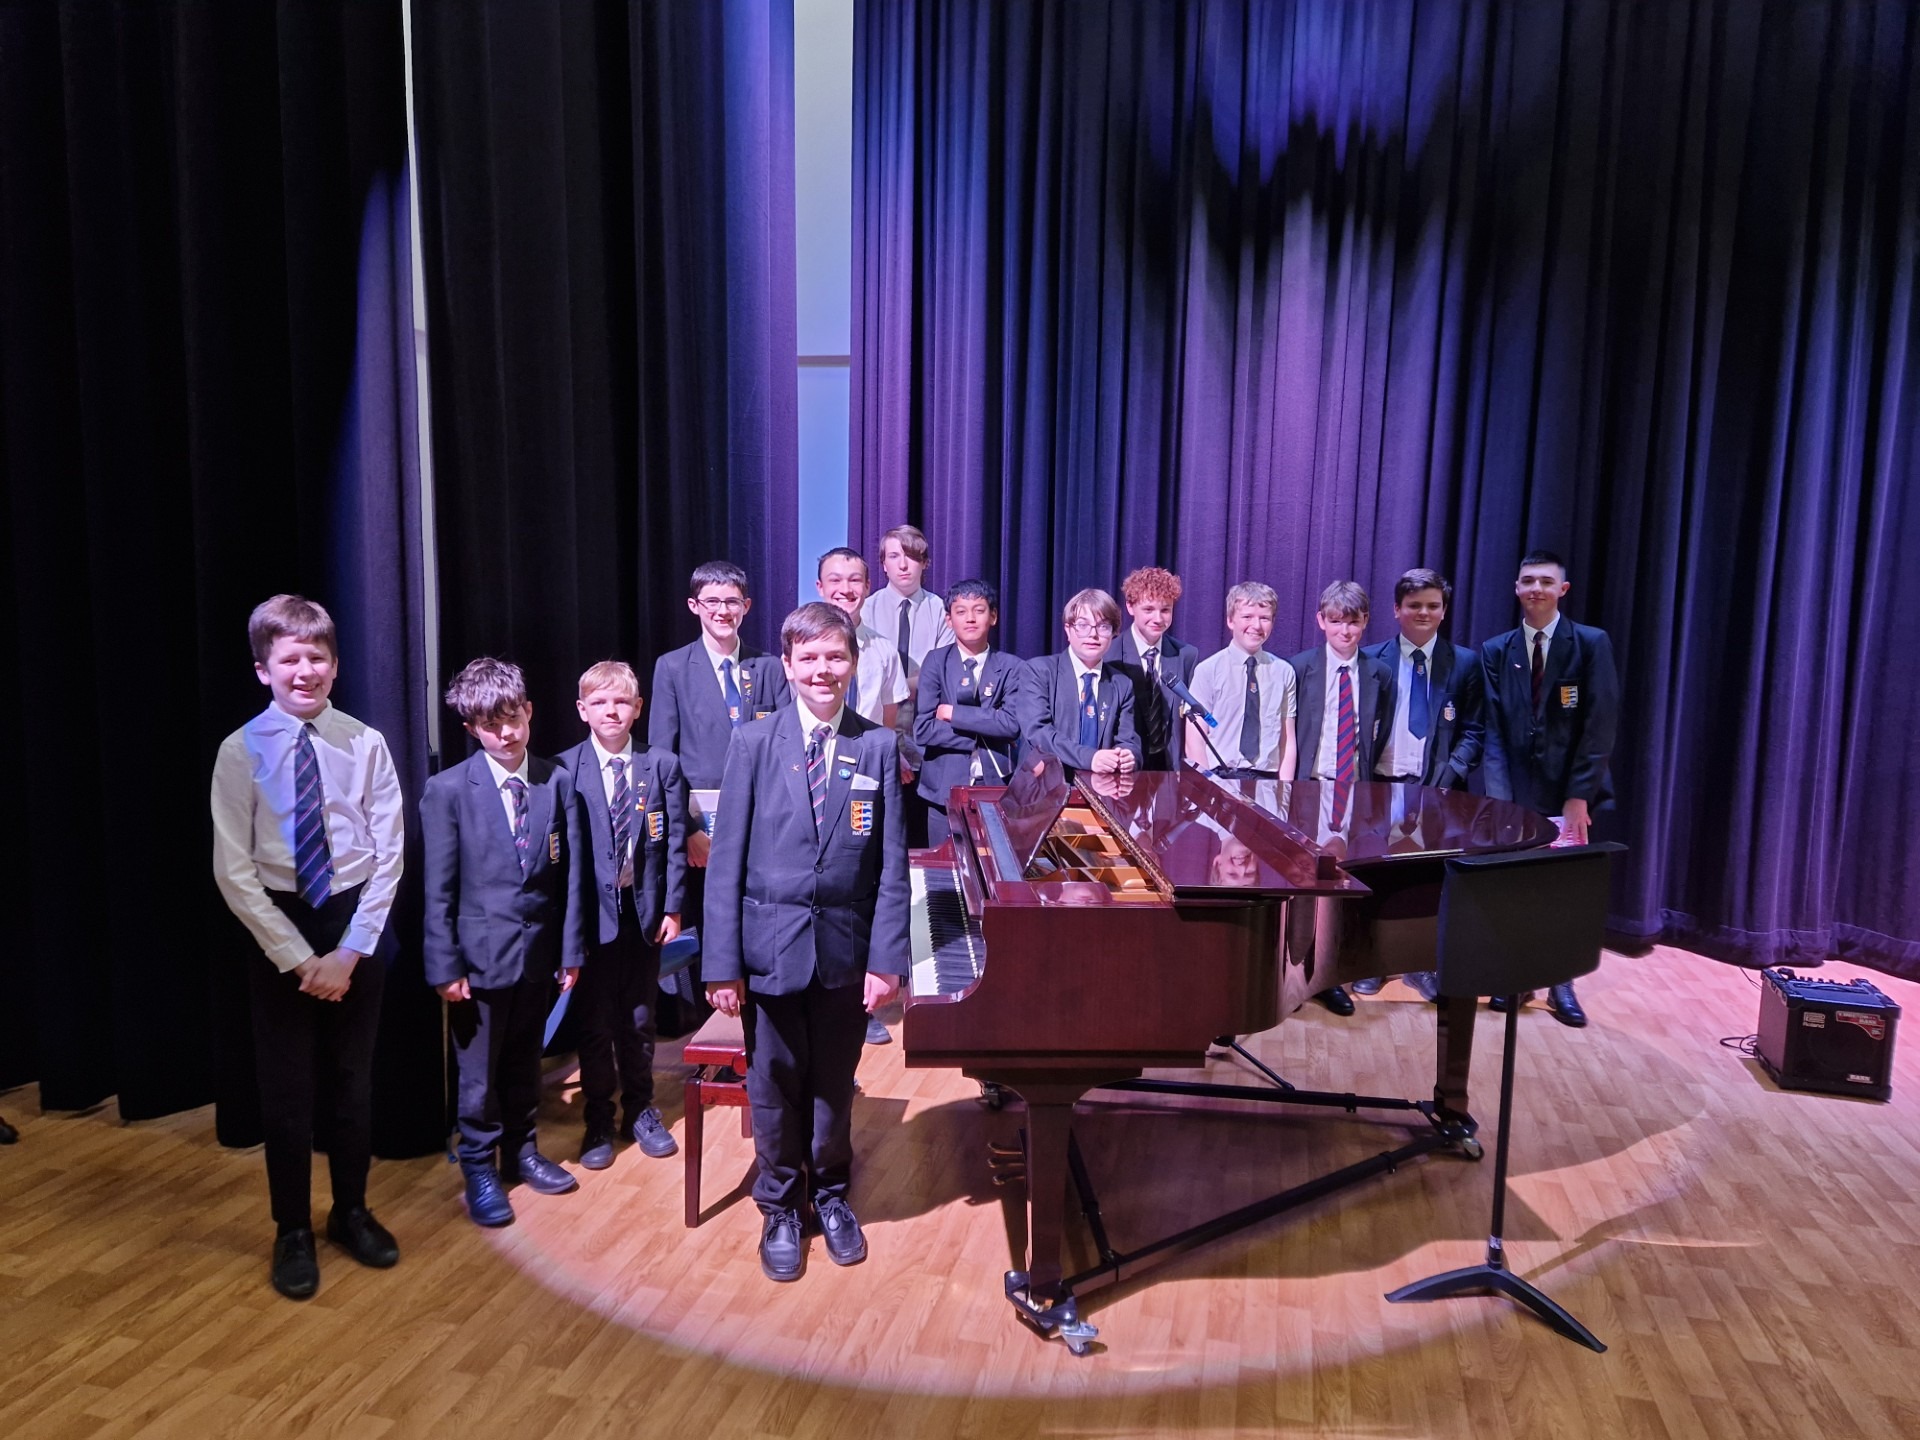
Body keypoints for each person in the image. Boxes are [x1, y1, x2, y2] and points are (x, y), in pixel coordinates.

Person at [703, 603, 910, 1282]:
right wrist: (723, 965)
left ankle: (831, 1194)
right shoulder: (754, 743)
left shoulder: (876, 747)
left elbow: (890, 865)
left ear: (854, 664)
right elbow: (726, 863)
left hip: (845, 954)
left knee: (833, 1084)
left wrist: (886, 960)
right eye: (810, 659)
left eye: (835, 657)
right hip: (769, 953)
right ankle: (780, 1205)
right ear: (788, 666)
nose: (824, 670)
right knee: (774, 1085)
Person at [210, 594, 405, 1299]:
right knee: (288, 1091)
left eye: (317, 658)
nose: (305, 671)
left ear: (335, 665)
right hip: (279, 930)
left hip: (353, 925)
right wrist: (297, 958)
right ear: (263, 669)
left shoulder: (365, 742)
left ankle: (351, 1211)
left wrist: (349, 952)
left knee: (353, 1084)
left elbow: (388, 854)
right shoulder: (240, 751)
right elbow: (233, 870)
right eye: (290, 659)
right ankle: (291, 1228)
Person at [422, 658, 587, 1227]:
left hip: (538, 956)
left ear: (529, 711)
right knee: (478, 1074)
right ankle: (478, 1164)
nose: (507, 733)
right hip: (477, 961)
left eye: (513, 719)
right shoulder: (447, 791)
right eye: (492, 726)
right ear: (472, 729)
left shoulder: (555, 781)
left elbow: (570, 878)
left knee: (524, 1060)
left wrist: (570, 951)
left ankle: (521, 1150)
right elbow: (439, 888)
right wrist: (445, 965)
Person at [1479, 550, 1620, 1027]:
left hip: (1569, 795)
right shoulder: (1497, 650)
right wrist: (1500, 802)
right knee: (1516, 888)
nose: (1535, 588)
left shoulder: (1590, 643)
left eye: (1545, 581)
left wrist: (1579, 796)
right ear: (1516, 588)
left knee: (1561, 891)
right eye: (1527, 581)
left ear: (1562, 589)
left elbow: (1599, 725)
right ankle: (1517, 977)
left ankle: (1561, 982)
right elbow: (1493, 731)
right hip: (1516, 793)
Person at [557, 661, 687, 1170]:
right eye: (600, 702)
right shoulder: (564, 770)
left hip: (643, 915)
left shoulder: (661, 765)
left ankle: (639, 1108)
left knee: (638, 1019)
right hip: (590, 920)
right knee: (594, 1024)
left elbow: (674, 843)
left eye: (621, 702)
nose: (611, 711)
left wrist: (672, 907)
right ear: (582, 710)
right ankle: (597, 1116)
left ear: (638, 708)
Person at [1357, 567, 1484, 1000]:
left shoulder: (1464, 663)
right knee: (1378, 876)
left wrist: (1449, 776)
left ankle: (1421, 963)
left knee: (1428, 882)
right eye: (1414, 605)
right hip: (1381, 785)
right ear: (1397, 610)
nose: (1423, 613)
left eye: (1433, 605)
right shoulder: (1372, 659)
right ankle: (1375, 961)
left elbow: (1474, 730)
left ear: (1444, 611)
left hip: (1436, 788)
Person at [1288, 580, 1394, 1016]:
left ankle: (1328, 977)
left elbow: (1379, 733)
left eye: (1353, 623)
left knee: (1342, 887)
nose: (1345, 631)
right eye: (1336, 622)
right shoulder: (1299, 668)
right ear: (1321, 621)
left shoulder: (1379, 673)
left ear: (1365, 622)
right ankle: (1295, 976)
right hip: (1309, 788)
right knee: (1303, 886)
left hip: (1353, 790)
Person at [860, 524, 953, 842]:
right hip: (876, 734)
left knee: (922, 834)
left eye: (912, 557)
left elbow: (939, 677)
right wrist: (907, 685)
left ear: (925, 563)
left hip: (927, 737)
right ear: (883, 563)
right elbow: (864, 677)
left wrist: (892, 685)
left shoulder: (941, 611)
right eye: (894, 556)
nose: (903, 565)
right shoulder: (866, 609)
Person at [914, 579, 1025, 846]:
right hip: (943, 790)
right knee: (946, 864)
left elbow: (1011, 725)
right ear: (949, 620)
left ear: (993, 616)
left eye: (979, 610)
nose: (970, 619)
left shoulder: (1012, 667)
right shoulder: (935, 661)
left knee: (995, 861)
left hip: (996, 788)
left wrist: (953, 713)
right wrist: (987, 728)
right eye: (961, 611)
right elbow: (923, 729)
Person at [1018, 588, 1143, 780]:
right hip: (1043, 787)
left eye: (1103, 626)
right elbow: (1038, 732)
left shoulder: (1121, 683)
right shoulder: (1039, 671)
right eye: (1083, 625)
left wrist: (1128, 756)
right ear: (1068, 629)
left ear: (1113, 633)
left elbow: (1129, 740)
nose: (1093, 634)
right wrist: (1089, 758)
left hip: (1102, 788)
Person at [1185, 581, 1298, 783]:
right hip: (1220, 778)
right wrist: (1208, 787)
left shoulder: (1284, 672)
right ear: (1230, 620)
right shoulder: (1208, 670)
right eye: (1247, 617)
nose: (1256, 626)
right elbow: (1195, 738)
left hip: (1267, 781)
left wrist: (1285, 789)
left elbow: (1287, 740)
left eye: (1264, 618)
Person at [1106, 566, 1200, 772]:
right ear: (1130, 607)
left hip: (1170, 772)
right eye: (1148, 609)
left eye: (1165, 610)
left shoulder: (1186, 655)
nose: (1158, 619)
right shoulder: (1109, 656)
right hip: (1125, 770)